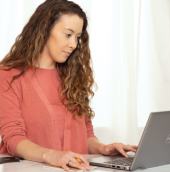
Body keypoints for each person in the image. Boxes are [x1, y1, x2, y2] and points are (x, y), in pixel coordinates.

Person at [0, 0, 137, 171]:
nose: (73, 44)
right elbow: (13, 138)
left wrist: (103, 148)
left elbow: (86, 135)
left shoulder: (73, 76)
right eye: (68, 34)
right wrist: (52, 155)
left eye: (77, 37)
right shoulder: (8, 75)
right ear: (44, 29)